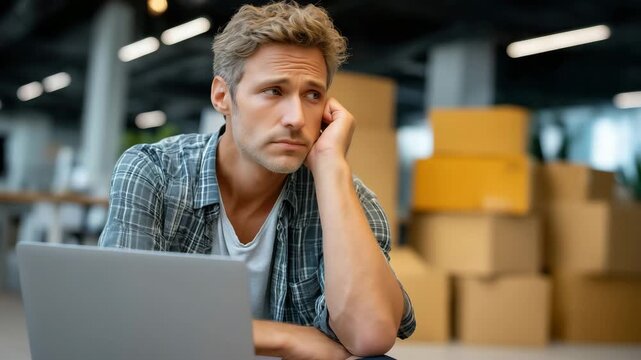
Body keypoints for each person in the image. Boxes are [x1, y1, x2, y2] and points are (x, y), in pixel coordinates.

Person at [99, 1, 415, 358]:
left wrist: (331, 167)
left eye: (312, 95)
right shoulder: (154, 172)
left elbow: (370, 336)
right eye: (273, 91)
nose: (296, 117)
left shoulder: (349, 197)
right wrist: (285, 338)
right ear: (223, 96)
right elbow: (121, 316)